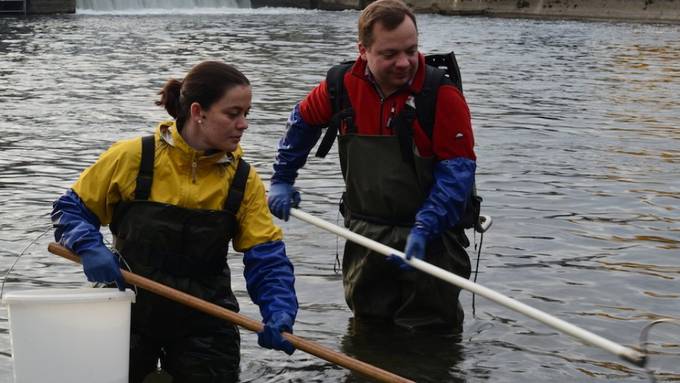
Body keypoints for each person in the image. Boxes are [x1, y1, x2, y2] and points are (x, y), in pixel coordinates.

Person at [51, 61, 298, 383]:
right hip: (127, 306)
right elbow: (71, 209)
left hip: (205, 315)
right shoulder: (132, 157)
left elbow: (266, 256)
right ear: (198, 111)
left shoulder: (243, 179)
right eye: (233, 113)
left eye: (246, 113)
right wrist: (88, 246)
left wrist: (278, 309)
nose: (244, 124)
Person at [268, 0, 475, 331]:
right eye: (390, 54)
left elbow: (458, 173)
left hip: (431, 239)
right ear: (363, 50)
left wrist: (426, 227)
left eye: (411, 50)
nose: (404, 62)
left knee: (430, 336)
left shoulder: (440, 95)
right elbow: (302, 123)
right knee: (366, 328)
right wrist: (282, 177)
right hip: (366, 232)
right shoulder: (340, 86)